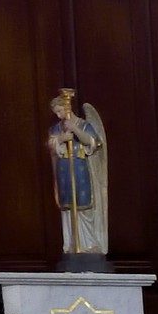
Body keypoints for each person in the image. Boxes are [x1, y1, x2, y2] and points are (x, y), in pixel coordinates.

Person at [48, 89, 109, 260]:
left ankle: (88, 243)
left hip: (80, 167)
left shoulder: (83, 124)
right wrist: (61, 139)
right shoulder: (56, 128)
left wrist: (75, 130)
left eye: (60, 111)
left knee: (84, 205)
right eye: (56, 113)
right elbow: (51, 144)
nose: (59, 116)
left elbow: (94, 142)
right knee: (67, 206)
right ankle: (71, 244)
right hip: (64, 170)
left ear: (67, 109)